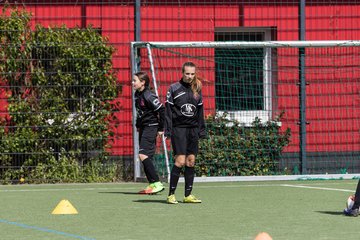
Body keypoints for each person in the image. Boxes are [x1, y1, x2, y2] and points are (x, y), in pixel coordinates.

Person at [164, 61, 206, 204]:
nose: (189, 76)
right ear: (182, 73)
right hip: (179, 129)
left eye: (192, 74)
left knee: (191, 161)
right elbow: (168, 111)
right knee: (180, 161)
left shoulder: (197, 89)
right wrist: (168, 130)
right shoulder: (174, 88)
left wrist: (201, 130)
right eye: (187, 73)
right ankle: (171, 195)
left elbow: (200, 112)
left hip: (193, 130)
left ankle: (188, 195)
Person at [133, 71, 165, 194]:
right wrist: (138, 125)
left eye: (135, 80)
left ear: (143, 82)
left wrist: (161, 128)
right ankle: (152, 184)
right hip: (144, 127)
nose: (133, 83)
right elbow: (140, 113)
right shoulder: (137, 94)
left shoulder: (148, 95)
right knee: (146, 157)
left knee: (143, 155)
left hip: (151, 127)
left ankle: (157, 183)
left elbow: (162, 110)